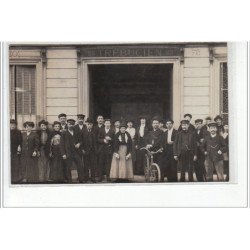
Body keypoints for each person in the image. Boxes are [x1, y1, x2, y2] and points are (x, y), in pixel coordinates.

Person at [146, 117, 164, 181]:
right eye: (154, 123)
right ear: (152, 124)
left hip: (158, 151)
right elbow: (147, 141)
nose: (155, 124)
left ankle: (160, 179)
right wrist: (147, 145)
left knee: (160, 166)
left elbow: (161, 141)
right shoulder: (150, 133)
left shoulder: (161, 132)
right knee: (152, 165)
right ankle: (154, 177)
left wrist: (158, 147)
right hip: (151, 151)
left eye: (157, 123)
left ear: (159, 124)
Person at [82, 118, 97, 183]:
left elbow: (95, 142)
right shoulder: (83, 132)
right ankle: (86, 177)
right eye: (88, 124)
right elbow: (81, 141)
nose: (89, 125)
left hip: (93, 152)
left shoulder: (94, 132)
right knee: (86, 165)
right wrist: (82, 149)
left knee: (93, 165)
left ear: (92, 125)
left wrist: (95, 150)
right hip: (86, 151)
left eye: (90, 124)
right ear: (86, 124)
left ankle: (93, 178)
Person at [10, 119, 22, 184]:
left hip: (15, 151)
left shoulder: (18, 132)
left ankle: (16, 179)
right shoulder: (5, 131)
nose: (12, 126)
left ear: (16, 125)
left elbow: (20, 141)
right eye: (11, 124)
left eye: (14, 124)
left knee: (16, 165)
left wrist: (19, 148)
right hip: (8, 151)